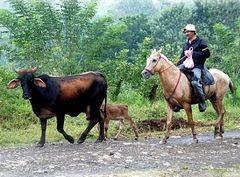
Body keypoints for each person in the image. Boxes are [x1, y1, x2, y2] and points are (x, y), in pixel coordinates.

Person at [177, 24, 210, 112]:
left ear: (193, 32)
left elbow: (207, 54)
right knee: (174, 76)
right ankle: (176, 102)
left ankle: (202, 101)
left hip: (197, 66)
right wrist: (176, 66)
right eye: (185, 32)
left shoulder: (201, 42)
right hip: (185, 65)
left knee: (195, 83)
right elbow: (182, 57)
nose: (186, 34)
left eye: (188, 32)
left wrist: (193, 54)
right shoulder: (186, 44)